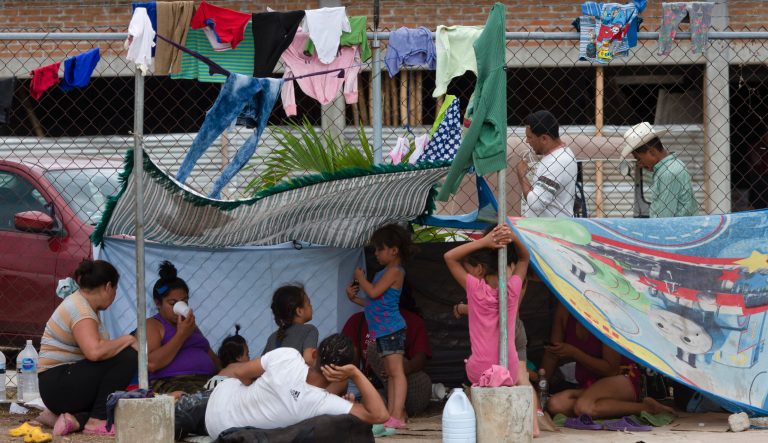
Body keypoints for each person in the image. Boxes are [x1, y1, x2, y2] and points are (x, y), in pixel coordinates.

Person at [444, 224, 541, 436]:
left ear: (479, 269)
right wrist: (513, 237)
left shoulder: (475, 290)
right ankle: (530, 427)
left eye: (470, 269)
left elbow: (449, 257)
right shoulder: (513, 289)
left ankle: (476, 429)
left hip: (481, 369)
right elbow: (525, 259)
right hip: (511, 368)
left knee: (474, 388)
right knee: (518, 377)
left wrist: (484, 242)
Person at [204, 334, 389, 439]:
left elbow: (240, 373)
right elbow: (380, 415)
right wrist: (356, 374)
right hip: (226, 434)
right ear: (343, 373)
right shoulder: (323, 405)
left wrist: (260, 394)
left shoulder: (287, 356)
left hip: (216, 401)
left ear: (315, 354)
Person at [38, 259, 138, 437]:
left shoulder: (83, 304)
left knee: (117, 383)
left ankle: (71, 419)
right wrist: (129, 339)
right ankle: (97, 420)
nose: (115, 295)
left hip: (56, 385)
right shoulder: (81, 309)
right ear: (108, 287)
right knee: (127, 356)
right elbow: (94, 351)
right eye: (115, 290)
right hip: (58, 385)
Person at [541, 303, 674, 419]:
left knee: (583, 407)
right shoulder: (564, 308)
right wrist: (539, 385)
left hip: (621, 377)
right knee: (555, 404)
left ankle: (647, 408)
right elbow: (552, 353)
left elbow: (610, 369)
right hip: (590, 382)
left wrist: (575, 353)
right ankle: (603, 406)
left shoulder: (605, 310)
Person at [346, 223, 414, 429]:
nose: (376, 253)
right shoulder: (383, 273)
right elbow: (373, 303)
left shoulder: (395, 271)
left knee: (396, 373)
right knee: (391, 374)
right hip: (384, 331)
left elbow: (374, 293)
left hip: (392, 329)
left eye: (379, 249)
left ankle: (396, 415)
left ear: (394, 250)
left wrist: (360, 279)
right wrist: (355, 299)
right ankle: (392, 416)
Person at [341, 285, 432, 417]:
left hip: (410, 390)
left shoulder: (412, 320)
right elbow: (349, 356)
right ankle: (388, 413)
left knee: (383, 349)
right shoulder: (357, 320)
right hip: (375, 385)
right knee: (372, 403)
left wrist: (401, 369)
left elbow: (421, 357)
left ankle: (399, 411)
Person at [147, 261, 219, 394]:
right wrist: (181, 335)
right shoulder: (153, 324)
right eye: (172, 303)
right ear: (158, 303)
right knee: (198, 400)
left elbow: (212, 358)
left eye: (184, 301)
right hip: (174, 384)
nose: (179, 307)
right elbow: (152, 364)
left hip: (206, 381)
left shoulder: (190, 325)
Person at [621, 121, 698, 217]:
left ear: (652, 152)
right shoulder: (670, 167)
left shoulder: (668, 173)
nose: (639, 164)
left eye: (639, 159)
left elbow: (663, 219)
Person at [515, 110, 578, 218]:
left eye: (530, 137)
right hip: (547, 228)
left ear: (544, 138)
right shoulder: (556, 156)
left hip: (550, 231)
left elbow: (536, 204)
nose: (527, 141)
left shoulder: (558, 161)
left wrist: (521, 175)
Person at [262, 284, 318, 364]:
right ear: (299, 311)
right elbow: (309, 360)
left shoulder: (273, 337)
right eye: (308, 303)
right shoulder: (309, 330)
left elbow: (263, 365)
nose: (311, 306)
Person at [204, 324, 250, 390]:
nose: (249, 358)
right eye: (247, 354)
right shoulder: (239, 368)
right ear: (239, 357)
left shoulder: (220, 374)